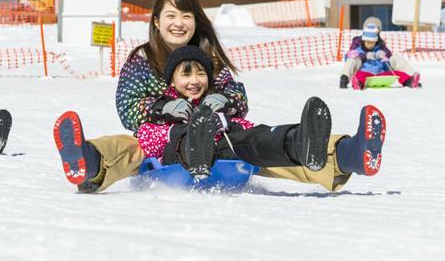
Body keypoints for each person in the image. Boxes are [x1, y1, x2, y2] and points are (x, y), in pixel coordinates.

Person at [53, 0, 387, 193]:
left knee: (265, 144)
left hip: (219, 136)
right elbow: (128, 107)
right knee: (126, 147)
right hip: (159, 142)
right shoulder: (143, 59)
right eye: (170, 15)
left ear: (196, 21)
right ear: (156, 20)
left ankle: (349, 154)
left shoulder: (207, 58)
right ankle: (87, 160)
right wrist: (160, 109)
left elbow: (238, 97)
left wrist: (223, 100)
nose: (178, 23)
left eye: (186, 15)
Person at [138, 45, 336, 177]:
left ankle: (298, 143)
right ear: (172, 80)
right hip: (179, 163)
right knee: (182, 141)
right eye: (186, 74)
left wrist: (225, 123)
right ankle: (196, 153)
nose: (195, 80)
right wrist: (174, 129)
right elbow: (144, 138)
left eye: (201, 74)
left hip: (222, 160)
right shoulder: (164, 108)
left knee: (248, 139)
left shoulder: (213, 104)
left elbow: (245, 128)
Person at [340, 17, 420, 89]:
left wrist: (384, 55)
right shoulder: (358, 41)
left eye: (377, 28)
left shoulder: (380, 43)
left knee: (396, 58)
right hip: (363, 68)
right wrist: (365, 55)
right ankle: (345, 78)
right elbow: (350, 56)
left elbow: (389, 56)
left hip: (380, 70)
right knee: (354, 62)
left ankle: (411, 79)